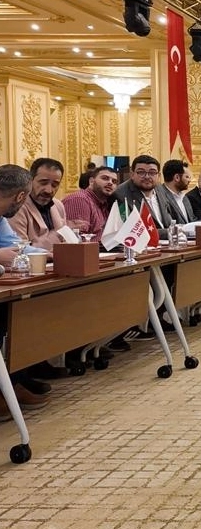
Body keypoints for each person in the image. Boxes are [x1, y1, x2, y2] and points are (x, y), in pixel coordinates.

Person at [0, 165, 52, 420]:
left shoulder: (1, 219)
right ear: (21, 196)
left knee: (21, 312)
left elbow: (15, 247)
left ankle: (12, 382)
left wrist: (50, 255)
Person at [9, 158, 80, 250]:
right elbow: (18, 249)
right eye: (43, 183)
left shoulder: (58, 205)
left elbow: (65, 242)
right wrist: (52, 238)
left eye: (55, 185)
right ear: (30, 180)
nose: (48, 190)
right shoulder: (18, 206)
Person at [114, 155, 174, 238]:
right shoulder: (121, 195)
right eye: (141, 172)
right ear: (132, 174)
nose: (147, 177)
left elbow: (168, 219)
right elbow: (131, 231)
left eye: (152, 173)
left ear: (159, 176)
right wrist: (170, 232)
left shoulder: (160, 188)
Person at [61, 165, 118, 242]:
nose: (110, 183)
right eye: (105, 178)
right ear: (91, 181)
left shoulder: (104, 204)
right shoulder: (80, 199)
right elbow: (75, 241)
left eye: (114, 181)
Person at [159, 159, 195, 225]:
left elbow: (192, 220)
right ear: (177, 177)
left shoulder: (184, 197)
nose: (189, 180)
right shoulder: (160, 197)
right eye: (187, 177)